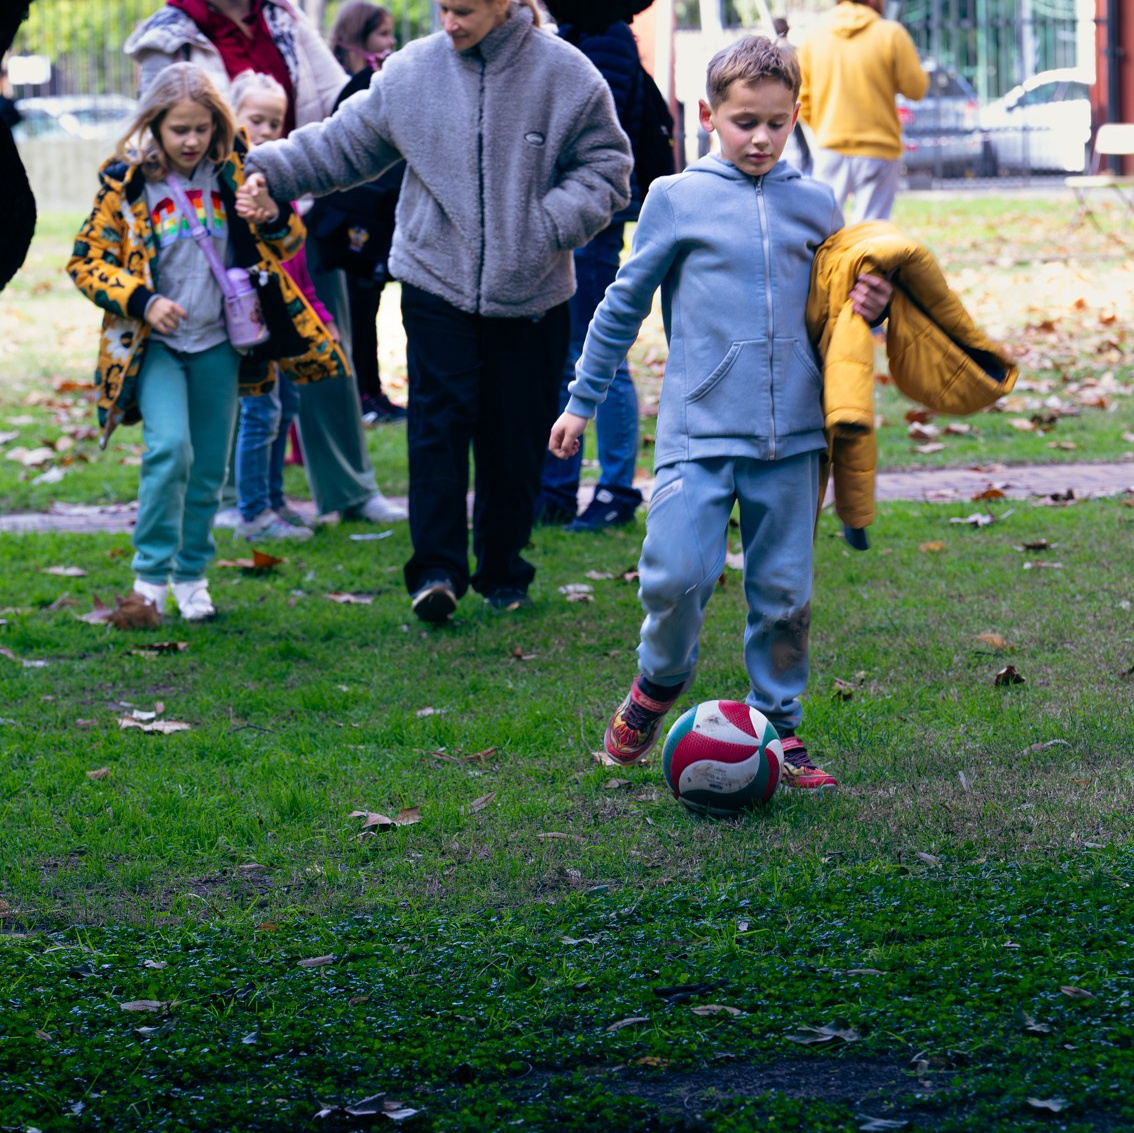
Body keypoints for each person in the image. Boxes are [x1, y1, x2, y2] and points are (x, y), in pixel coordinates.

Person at [547, 35, 892, 789]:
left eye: (776, 122)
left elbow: (838, 314)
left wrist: (873, 305)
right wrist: (581, 400)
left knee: (785, 598)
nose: (761, 138)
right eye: (744, 123)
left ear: (795, 115)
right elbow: (621, 306)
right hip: (698, 433)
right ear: (708, 117)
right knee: (675, 577)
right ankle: (657, 682)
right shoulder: (676, 198)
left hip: (794, 437)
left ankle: (781, 727)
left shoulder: (816, 203)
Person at [237, 0, 632, 622]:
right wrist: (264, 170)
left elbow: (607, 170)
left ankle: (503, 571)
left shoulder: (568, 74)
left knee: (514, 439)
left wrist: (546, 227)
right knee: (437, 427)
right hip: (434, 282)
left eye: (464, 9)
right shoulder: (410, 71)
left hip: (533, 293)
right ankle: (436, 573)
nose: (450, 22)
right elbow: (341, 145)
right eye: (443, 7)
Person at [66, 62, 345, 619]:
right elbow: (86, 261)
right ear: (155, 125)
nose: (191, 141)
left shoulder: (238, 173)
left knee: (209, 468)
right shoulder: (127, 184)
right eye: (179, 130)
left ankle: (192, 575)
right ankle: (149, 578)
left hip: (221, 343)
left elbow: (288, 240)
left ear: (217, 124)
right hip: (157, 346)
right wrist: (142, 300)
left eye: (201, 128)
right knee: (170, 450)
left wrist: (270, 213)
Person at [125, 0, 407, 524]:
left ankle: (348, 488)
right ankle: (235, 499)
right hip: (215, 227)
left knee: (325, 350)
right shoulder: (169, 34)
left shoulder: (284, 19)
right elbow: (156, 133)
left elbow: (339, 103)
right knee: (236, 365)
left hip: (298, 205)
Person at [535, 0, 648, 532]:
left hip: (593, 216)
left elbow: (592, 133)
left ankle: (616, 489)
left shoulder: (603, 36)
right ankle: (558, 490)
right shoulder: (584, 31)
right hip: (574, 212)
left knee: (600, 351)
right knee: (571, 352)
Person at [228, 69, 335, 542]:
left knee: (285, 404)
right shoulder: (233, 188)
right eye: (256, 120)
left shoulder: (280, 186)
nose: (267, 131)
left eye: (275, 122)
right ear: (232, 119)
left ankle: (273, 501)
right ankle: (252, 513)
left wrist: (321, 317)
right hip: (252, 322)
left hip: (287, 320)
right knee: (260, 411)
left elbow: (297, 266)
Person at [314, 0, 406, 425]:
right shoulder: (349, 87)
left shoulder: (381, 81)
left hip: (377, 216)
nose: (391, 42)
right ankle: (360, 395)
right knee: (353, 309)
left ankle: (372, 391)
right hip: (348, 221)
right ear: (359, 37)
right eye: (382, 34)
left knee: (368, 308)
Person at [797, 0, 927, 224]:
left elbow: (801, 99)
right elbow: (916, 89)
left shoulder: (814, 37)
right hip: (880, 148)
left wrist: (824, 125)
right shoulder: (891, 34)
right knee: (870, 230)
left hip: (830, 145)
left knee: (823, 228)